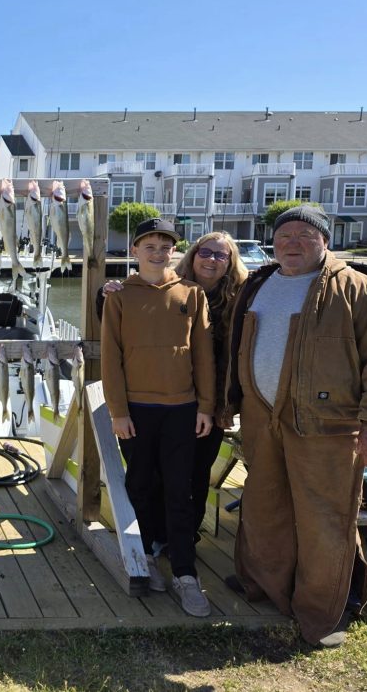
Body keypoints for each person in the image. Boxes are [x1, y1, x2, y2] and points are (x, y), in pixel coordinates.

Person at [225, 205, 367, 647]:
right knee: (264, 505)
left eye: (304, 235)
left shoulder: (360, 290)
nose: (292, 242)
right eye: (284, 234)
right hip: (261, 418)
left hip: (327, 425)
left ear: (325, 241)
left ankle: (322, 612)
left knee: (324, 520)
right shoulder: (258, 283)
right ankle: (267, 585)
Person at [102, 232, 249, 545]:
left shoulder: (242, 299)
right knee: (152, 475)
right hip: (166, 400)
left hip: (213, 401)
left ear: (230, 262)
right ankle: (154, 537)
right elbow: (124, 328)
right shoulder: (169, 285)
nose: (211, 259)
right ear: (192, 255)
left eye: (220, 255)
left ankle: (182, 538)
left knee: (195, 475)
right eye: (205, 252)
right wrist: (106, 292)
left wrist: (214, 405)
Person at [101, 218, 216, 617]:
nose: (157, 252)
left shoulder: (192, 294)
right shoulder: (118, 296)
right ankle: (145, 555)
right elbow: (111, 360)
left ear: (173, 251)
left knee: (180, 492)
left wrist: (205, 405)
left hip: (182, 409)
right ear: (134, 251)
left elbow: (203, 355)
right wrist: (117, 411)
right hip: (137, 410)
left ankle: (186, 572)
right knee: (140, 485)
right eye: (148, 245)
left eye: (165, 246)